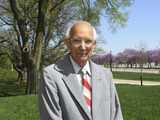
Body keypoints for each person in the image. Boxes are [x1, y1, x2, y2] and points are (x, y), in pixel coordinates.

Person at [38, 21, 123, 120]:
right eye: (77, 41)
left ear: (94, 45)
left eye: (88, 41)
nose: (83, 47)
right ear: (68, 44)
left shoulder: (106, 75)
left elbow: (116, 114)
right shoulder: (51, 75)